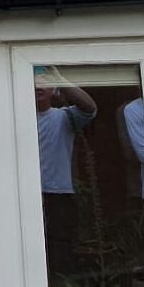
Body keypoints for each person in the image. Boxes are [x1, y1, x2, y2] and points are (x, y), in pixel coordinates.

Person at [33, 67, 96, 276]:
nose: (37, 85)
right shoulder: (17, 119)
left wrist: (60, 79)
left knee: (60, 255)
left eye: (43, 81)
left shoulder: (64, 117)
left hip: (58, 195)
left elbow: (89, 108)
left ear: (54, 91)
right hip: (28, 198)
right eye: (33, 80)